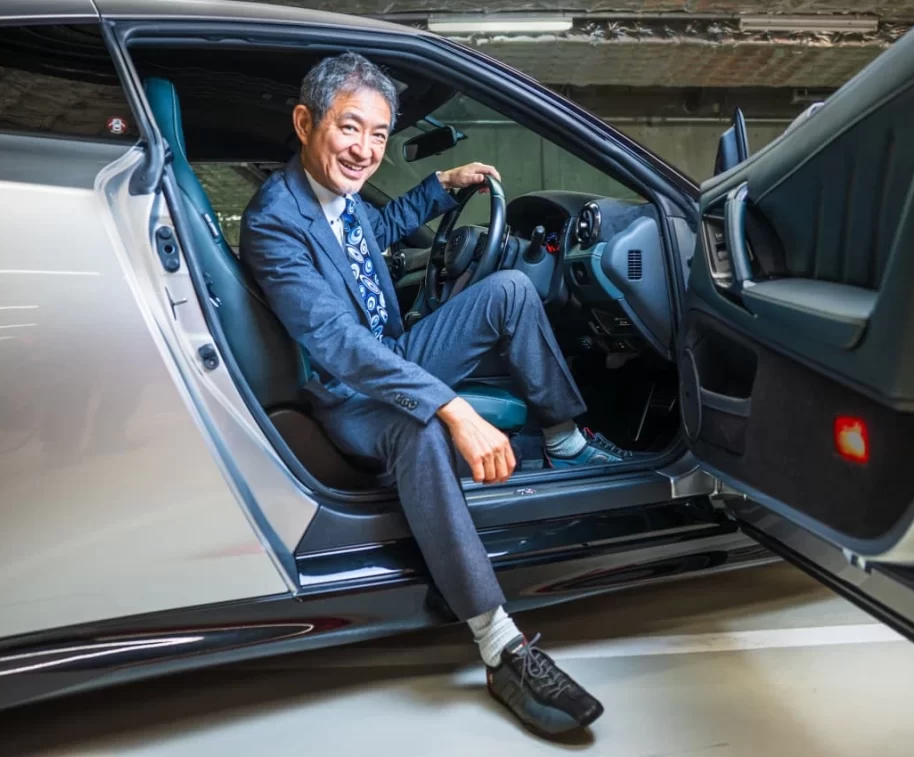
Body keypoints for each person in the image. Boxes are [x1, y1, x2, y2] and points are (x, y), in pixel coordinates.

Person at [240, 52, 638, 738]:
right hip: (343, 392)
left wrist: (441, 188)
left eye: (378, 135)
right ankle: (500, 644)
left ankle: (566, 441)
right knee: (421, 426)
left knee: (511, 290)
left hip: (389, 355)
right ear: (306, 122)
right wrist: (452, 408)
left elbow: (372, 235)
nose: (364, 150)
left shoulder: (337, 196)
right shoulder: (275, 220)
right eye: (349, 128)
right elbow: (335, 341)